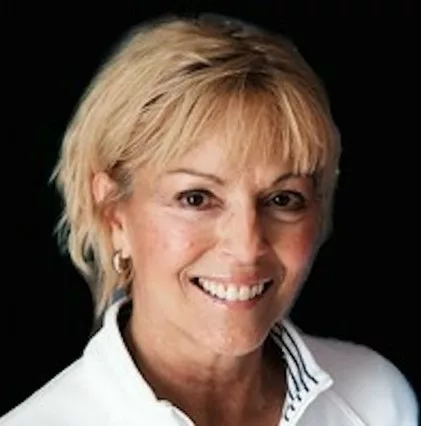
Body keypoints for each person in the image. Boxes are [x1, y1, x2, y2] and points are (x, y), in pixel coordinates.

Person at [1, 13, 418, 426]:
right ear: (114, 215)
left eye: (282, 198)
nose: (247, 245)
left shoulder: (377, 400)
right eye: (196, 198)